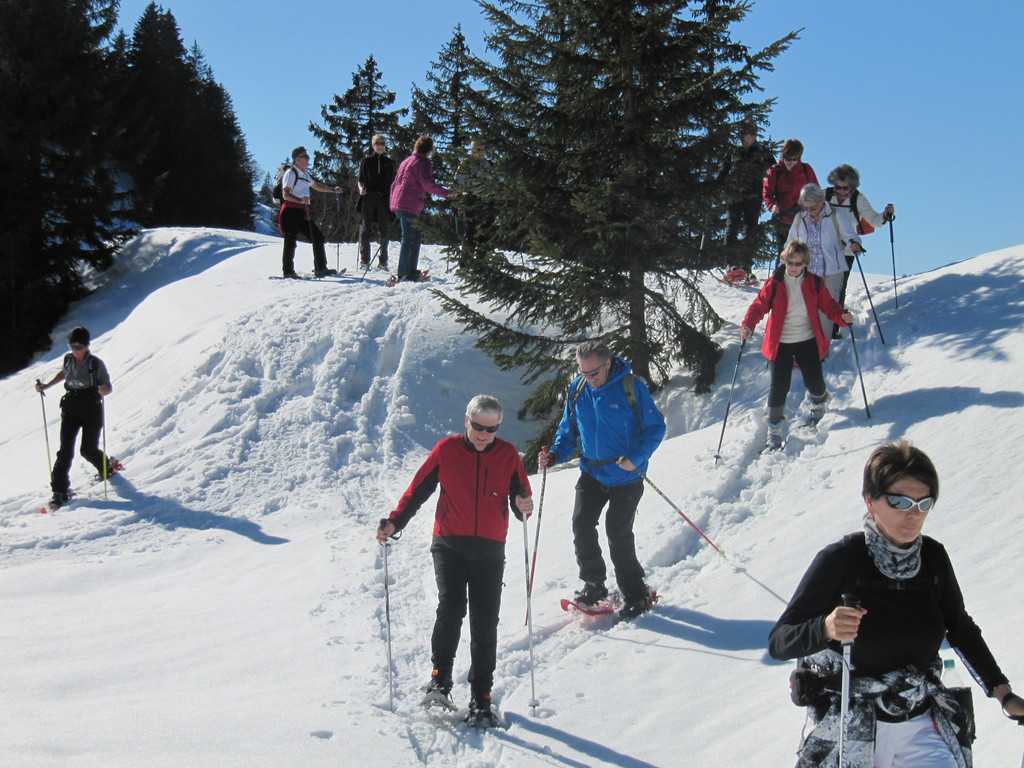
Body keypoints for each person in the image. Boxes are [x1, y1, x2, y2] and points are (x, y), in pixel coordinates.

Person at [768, 440, 1024, 768]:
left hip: (921, 722)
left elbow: (960, 629)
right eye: (900, 501)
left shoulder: (933, 559)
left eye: (924, 503)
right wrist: (825, 628)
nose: (913, 514)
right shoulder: (842, 560)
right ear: (870, 500)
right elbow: (780, 641)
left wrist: (1003, 693)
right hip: (850, 727)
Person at [375, 395, 533, 725]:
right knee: (451, 608)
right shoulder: (446, 450)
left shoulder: (507, 455)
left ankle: (481, 697)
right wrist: (394, 522)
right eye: (478, 427)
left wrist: (524, 504)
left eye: (491, 429)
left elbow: (522, 497)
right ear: (466, 421)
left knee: (484, 621)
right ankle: (440, 680)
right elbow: (417, 490)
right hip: (449, 544)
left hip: (490, 550)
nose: (484, 435)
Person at [537, 340, 666, 619]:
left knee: (617, 532)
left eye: (593, 372)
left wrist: (635, 457)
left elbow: (656, 427)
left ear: (608, 363)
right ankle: (594, 585)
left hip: (626, 474)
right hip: (591, 472)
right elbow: (568, 430)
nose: (589, 378)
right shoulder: (579, 388)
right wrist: (555, 455)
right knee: (581, 524)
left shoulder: (631, 387)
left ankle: (636, 593)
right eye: (583, 372)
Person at [740, 241, 854, 451]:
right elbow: (759, 306)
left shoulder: (815, 283)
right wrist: (748, 325)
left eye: (798, 263)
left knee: (815, 381)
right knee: (779, 387)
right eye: (789, 262)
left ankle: (818, 406)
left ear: (805, 263)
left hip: (807, 340)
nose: (793, 267)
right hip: (780, 343)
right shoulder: (774, 283)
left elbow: (829, 306)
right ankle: (774, 431)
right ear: (784, 260)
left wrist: (842, 317)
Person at [34, 327, 119, 509]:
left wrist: (104, 389)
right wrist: (47, 385)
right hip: (70, 407)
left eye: (78, 347)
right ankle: (59, 492)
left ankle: (106, 467)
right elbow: (64, 373)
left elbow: (108, 386)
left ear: (87, 346)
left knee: (87, 450)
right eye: (72, 346)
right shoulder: (68, 359)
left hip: (91, 408)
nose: (75, 350)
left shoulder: (96, 364)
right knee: (64, 451)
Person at [786, 183, 863, 339]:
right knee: (805, 312)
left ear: (822, 202)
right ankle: (807, 347)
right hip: (807, 272)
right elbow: (790, 244)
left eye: (812, 208)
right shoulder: (800, 218)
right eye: (805, 208)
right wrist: (783, 267)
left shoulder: (836, 215)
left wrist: (854, 244)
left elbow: (850, 235)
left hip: (832, 271)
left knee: (826, 313)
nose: (808, 212)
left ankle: (821, 349)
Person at [825, 164, 895, 310]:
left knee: (838, 289)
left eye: (845, 188)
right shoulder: (825, 195)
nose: (841, 191)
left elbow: (873, 219)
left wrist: (885, 215)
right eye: (838, 187)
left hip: (846, 250)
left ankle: (835, 321)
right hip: (823, 249)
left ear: (852, 186)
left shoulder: (858, 199)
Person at [389, 135, 449, 282]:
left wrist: (393, 202)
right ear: (430, 149)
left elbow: (394, 183)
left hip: (400, 202)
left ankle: (410, 269)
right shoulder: (423, 162)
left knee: (415, 236)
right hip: (409, 203)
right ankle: (404, 272)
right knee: (409, 237)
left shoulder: (407, 161)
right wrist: (446, 193)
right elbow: (427, 184)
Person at [279, 146, 343, 278]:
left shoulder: (304, 174)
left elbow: (316, 186)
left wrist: (332, 190)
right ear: (297, 159)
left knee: (317, 237)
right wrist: (300, 200)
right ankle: (288, 271)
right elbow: (285, 194)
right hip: (291, 210)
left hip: (302, 211)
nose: (308, 159)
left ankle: (321, 268)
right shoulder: (291, 173)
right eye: (305, 157)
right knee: (290, 240)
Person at [720, 122, 775, 274]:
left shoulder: (762, 151)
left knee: (750, 230)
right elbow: (723, 173)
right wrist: (721, 189)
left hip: (754, 195)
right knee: (732, 227)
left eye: (751, 134)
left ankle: (747, 265)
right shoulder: (733, 150)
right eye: (746, 134)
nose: (749, 137)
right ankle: (729, 263)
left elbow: (774, 171)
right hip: (735, 196)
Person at [763, 138, 819, 252]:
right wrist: (772, 206)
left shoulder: (806, 169)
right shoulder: (775, 170)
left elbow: (815, 192)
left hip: (804, 219)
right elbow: (767, 193)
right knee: (784, 252)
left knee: (804, 252)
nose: (791, 162)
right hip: (783, 219)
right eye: (788, 159)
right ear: (783, 156)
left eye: (795, 159)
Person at [357, 134, 396, 271]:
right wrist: (361, 189)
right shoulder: (366, 161)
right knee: (365, 230)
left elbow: (394, 182)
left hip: (384, 199)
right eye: (378, 144)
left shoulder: (390, 163)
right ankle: (364, 261)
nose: (380, 146)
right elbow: (361, 179)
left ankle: (383, 262)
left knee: (384, 230)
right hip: (368, 197)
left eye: (383, 144)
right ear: (373, 145)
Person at [453, 139, 494, 262]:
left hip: (488, 202)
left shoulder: (490, 165)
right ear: (471, 150)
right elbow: (458, 182)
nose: (480, 152)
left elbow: (499, 181)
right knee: (470, 233)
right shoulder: (465, 164)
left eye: (483, 149)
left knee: (485, 234)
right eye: (477, 149)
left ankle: (482, 263)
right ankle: (465, 263)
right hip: (470, 200)